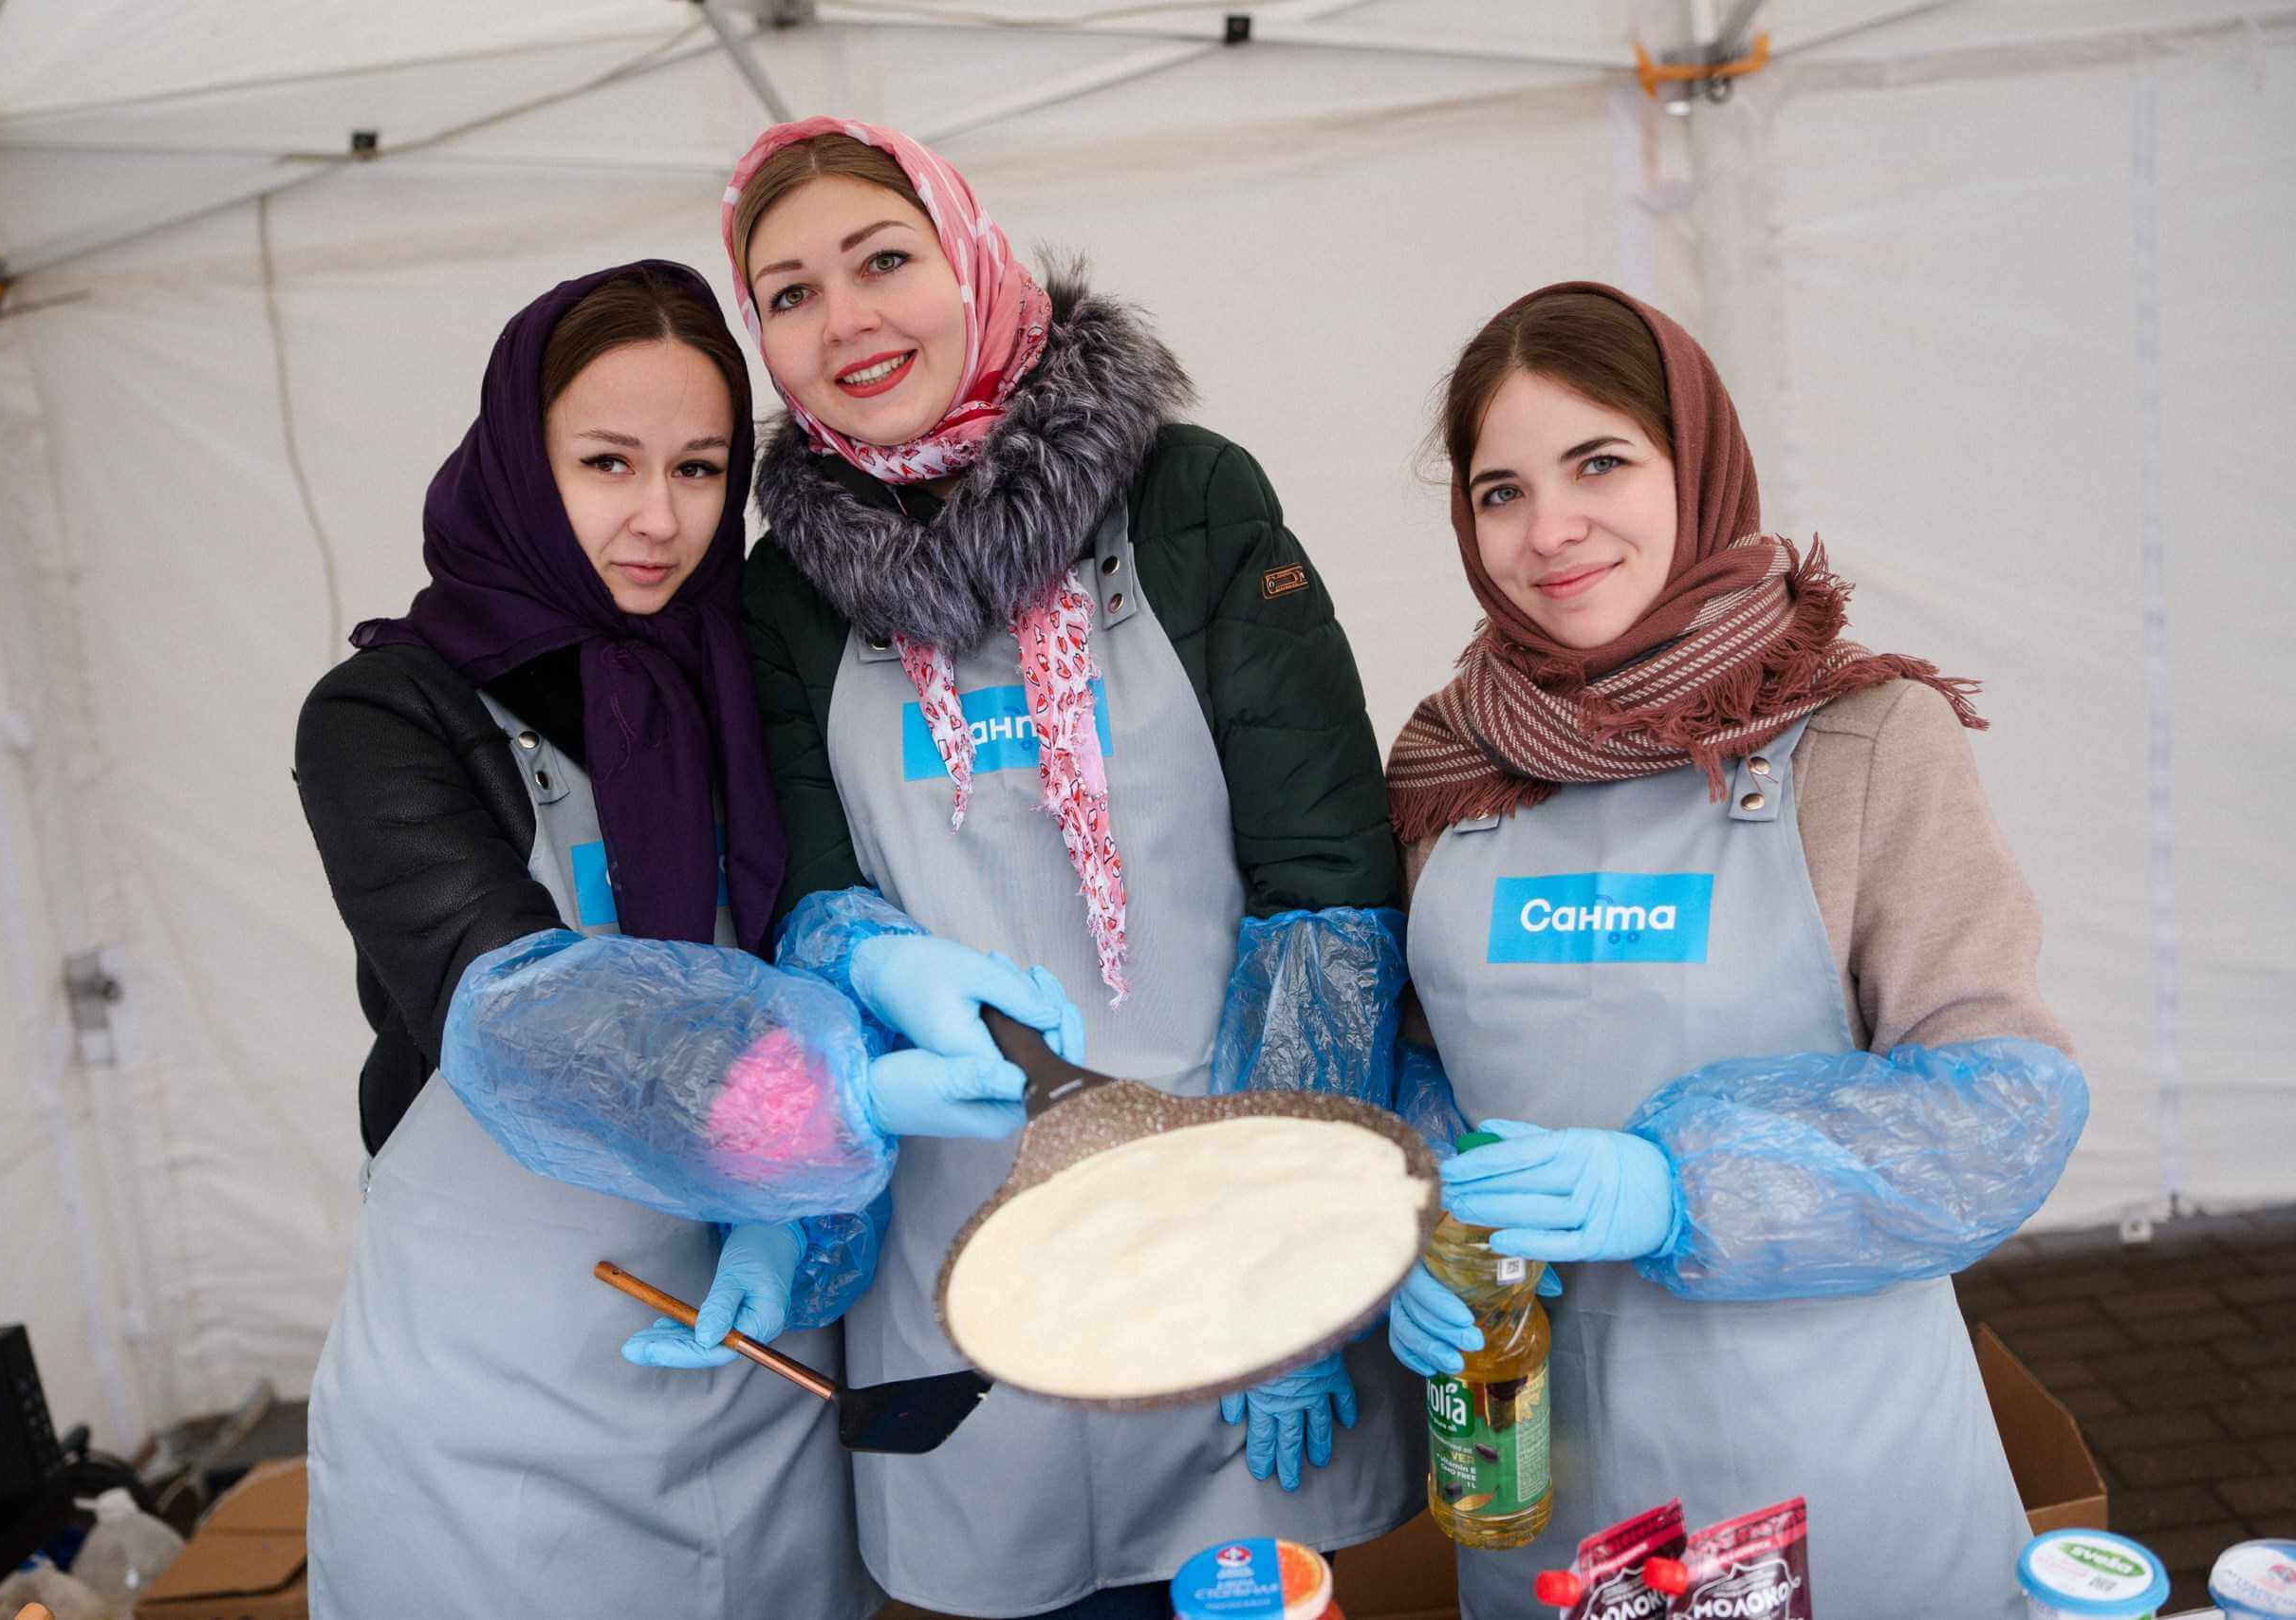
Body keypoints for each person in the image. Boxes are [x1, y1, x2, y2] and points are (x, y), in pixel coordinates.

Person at [293, 261, 1074, 1618]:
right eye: (607, 464)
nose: (659, 520)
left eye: (702, 470)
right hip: (497, 1412)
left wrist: (819, 1170)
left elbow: (793, 920)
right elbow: (516, 1007)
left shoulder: (730, 665)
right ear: (520, 465)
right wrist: (839, 1094)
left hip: (753, 1373)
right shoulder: (382, 715)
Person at [726, 119, 1428, 1618]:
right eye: (787, 293)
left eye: (883, 260)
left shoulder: (1184, 499)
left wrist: (1296, 1252)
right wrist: (868, 957)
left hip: (1233, 1210)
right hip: (966, 1249)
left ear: (969, 258)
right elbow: (807, 890)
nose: (845, 319)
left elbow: (1327, 881)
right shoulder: (784, 589)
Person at [1381, 282, 2089, 1618]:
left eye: (1600, 463)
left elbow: (2007, 1107)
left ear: (1695, 465)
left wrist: (1681, 1183)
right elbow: (1420, 1064)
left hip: (1828, 1476)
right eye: (1499, 491)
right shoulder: (1450, 767)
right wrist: (1415, 1230)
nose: (1550, 531)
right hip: (1541, 1478)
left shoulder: (1864, 741)